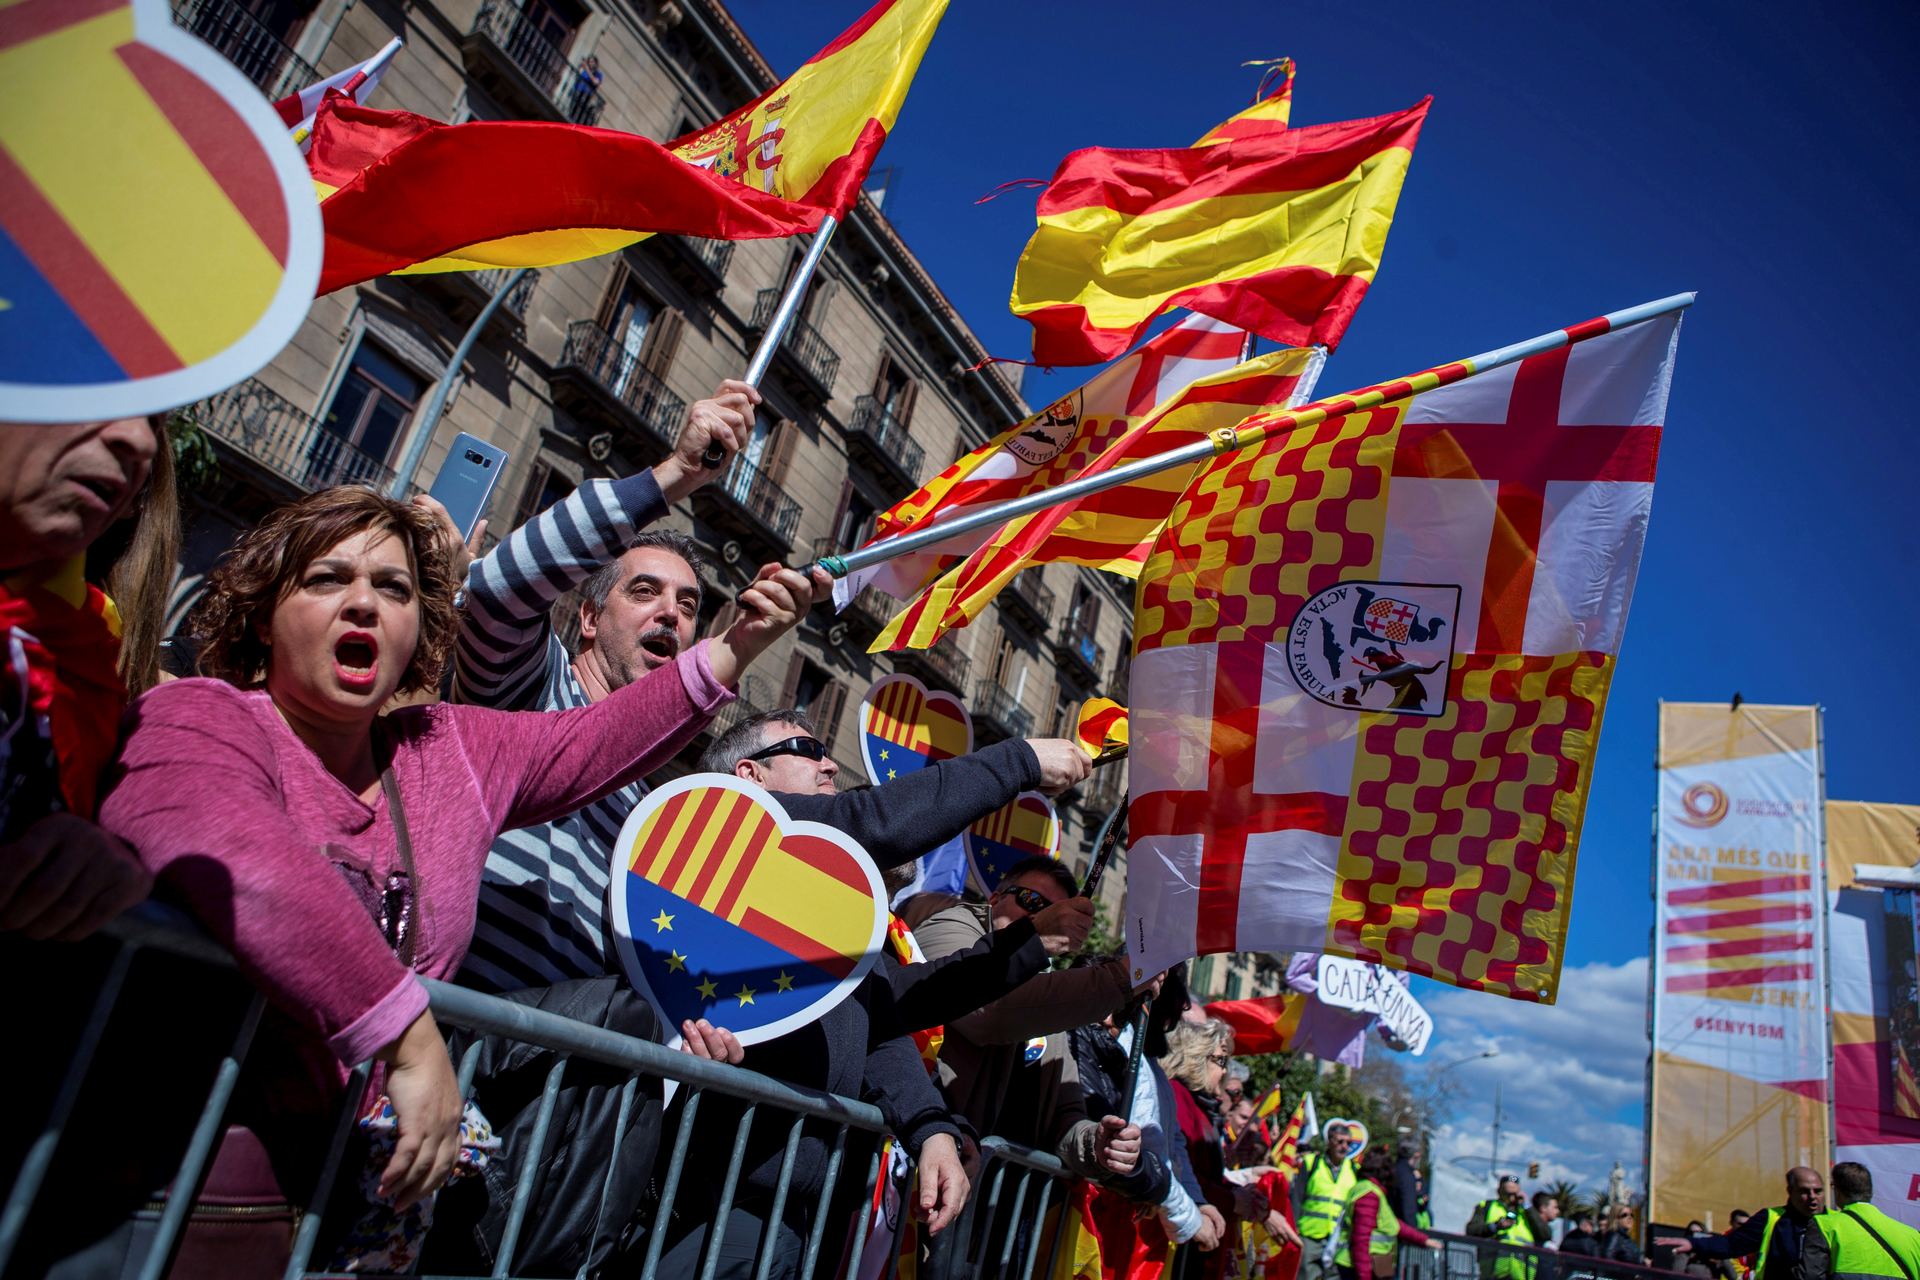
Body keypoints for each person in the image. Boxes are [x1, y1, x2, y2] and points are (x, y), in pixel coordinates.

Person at [99, 484, 816, 1267]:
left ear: (421, 628)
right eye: (328, 579)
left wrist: (740, 643)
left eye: (396, 589)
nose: (366, 605)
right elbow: (242, 860)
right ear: (264, 610)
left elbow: (601, 737)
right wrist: (406, 1037)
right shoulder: (201, 716)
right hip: (189, 1191)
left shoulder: (450, 750)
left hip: (374, 1205)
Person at [452, 381, 764, 995]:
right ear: (590, 617)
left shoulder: (647, 811)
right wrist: (673, 475)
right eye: (644, 591)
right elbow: (493, 594)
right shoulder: (527, 688)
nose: (672, 614)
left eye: (689, 604)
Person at [2, 417, 172, 939]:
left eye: (155, 416)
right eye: (104, 391)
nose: (141, 440)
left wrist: (103, 858)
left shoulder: (91, 654)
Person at [1164, 1017, 1274, 1280]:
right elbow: (1180, 1171)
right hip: (1177, 1247)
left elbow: (1204, 1174)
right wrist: (1233, 1199)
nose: (1226, 1072)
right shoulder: (1176, 1095)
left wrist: (1237, 1193)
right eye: (1221, 1061)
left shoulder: (1198, 1105)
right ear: (1196, 1055)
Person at [1658, 1167, 1826, 1280]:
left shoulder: (1835, 1221)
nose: (1812, 1197)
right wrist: (1692, 1242)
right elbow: (1730, 1244)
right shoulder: (1771, 1218)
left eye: (1818, 1191)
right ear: (1790, 1191)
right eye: (1804, 1191)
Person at [1802, 1161, 1920, 1280]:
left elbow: (1811, 1275)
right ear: (1871, 1192)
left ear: (1837, 1191)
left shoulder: (1824, 1225)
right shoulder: (1914, 1236)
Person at [1337, 1145, 1439, 1280]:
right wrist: (1364, 1276)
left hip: (1380, 1261)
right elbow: (1361, 1240)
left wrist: (1423, 1240)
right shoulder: (1369, 1194)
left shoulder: (1372, 1191)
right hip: (1368, 1263)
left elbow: (1392, 1224)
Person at [1295, 1121, 1361, 1280]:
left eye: (1348, 1143)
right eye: (1340, 1141)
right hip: (1310, 1236)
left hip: (1338, 1240)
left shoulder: (1354, 1170)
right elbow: (1296, 1198)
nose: (1344, 1146)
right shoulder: (1312, 1163)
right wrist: (1294, 1230)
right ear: (1329, 1141)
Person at [1467, 1176, 1552, 1280]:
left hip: (1522, 1273)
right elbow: (1471, 1230)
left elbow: (1545, 1233)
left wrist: (1527, 1206)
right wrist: (1495, 1226)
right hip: (1493, 1271)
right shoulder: (1487, 1206)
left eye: (1514, 1193)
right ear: (1499, 1191)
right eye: (1507, 1193)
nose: (1511, 1197)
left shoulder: (1527, 1212)